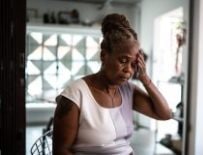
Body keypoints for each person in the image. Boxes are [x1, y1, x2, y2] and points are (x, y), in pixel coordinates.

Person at [53, 13, 172, 155]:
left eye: (134, 64)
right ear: (103, 55)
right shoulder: (75, 95)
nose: (128, 70)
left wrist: (144, 78)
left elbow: (165, 114)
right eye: (123, 60)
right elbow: (61, 151)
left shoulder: (128, 91)